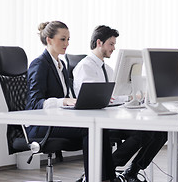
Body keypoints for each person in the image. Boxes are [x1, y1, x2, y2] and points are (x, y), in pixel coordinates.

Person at [73, 25, 167, 182]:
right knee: (141, 134)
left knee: (160, 133)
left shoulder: (108, 70)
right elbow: (93, 98)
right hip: (95, 122)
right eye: (111, 44)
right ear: (99, 43)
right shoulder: (85, 67)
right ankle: (103, 171)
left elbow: (114, 96)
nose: (114, 48)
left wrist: (132, 97)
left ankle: (132, 171)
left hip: (110, 118)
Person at [25, 21, 115, 182]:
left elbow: (67, 96)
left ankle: (108, 178)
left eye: (68, 39)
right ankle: (94, 178)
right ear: (49, 40)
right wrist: (63, 101)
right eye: (63, 39)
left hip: (58, 120)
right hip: (41, 126)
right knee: (90, 129)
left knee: (101, 128)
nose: (67, 44)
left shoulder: (61, 65)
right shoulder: (39, 64)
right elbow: (34, 103)